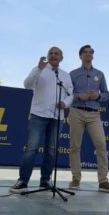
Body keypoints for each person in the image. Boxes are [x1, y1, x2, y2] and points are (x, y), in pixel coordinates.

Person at [9, 47, 73, 193]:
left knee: (51, 150)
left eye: (56, 53)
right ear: (47, 56)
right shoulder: (39, 69)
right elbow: (27, 84)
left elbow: (71, 94)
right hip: (39, 114)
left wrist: (65, 103)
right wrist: (38, 69)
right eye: (51, 53)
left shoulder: (65, 75)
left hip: (57, 117)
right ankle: (23, 181)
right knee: (31, 149)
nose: (53, 55)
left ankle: (45, 181)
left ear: (61, 58)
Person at [67, 44, 109, 193]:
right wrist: (78, 96)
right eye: (85, 52)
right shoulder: (73, 74)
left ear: (93, 56)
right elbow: (68, 94)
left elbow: (106, 93)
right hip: (76, 111)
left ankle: (103, 181)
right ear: (80, 56)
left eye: (90, 52)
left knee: (101, 144)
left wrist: (98, 96)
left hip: (94, 113)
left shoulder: (99, 74)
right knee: (75, 146)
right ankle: (76, 178)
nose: (88, 54)